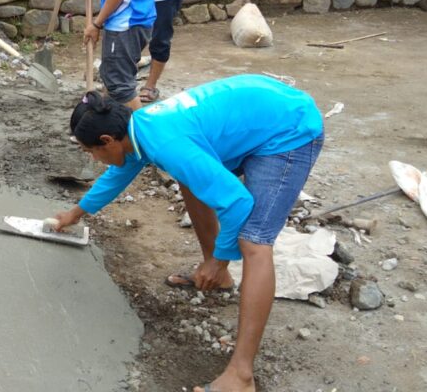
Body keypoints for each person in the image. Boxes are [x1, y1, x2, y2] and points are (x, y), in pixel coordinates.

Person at [51, 75, 324, 392]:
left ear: (108, 140)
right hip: (258, 114)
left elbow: (236, 201)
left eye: (90, 151)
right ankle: (218, 279)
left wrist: (221, 259)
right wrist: (74, 214)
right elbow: (117, 175)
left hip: (288, 130)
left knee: (254, 241)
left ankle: (241, 376)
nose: (92, 158)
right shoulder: (138, 129)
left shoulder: (165, 143)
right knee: (190, 180)